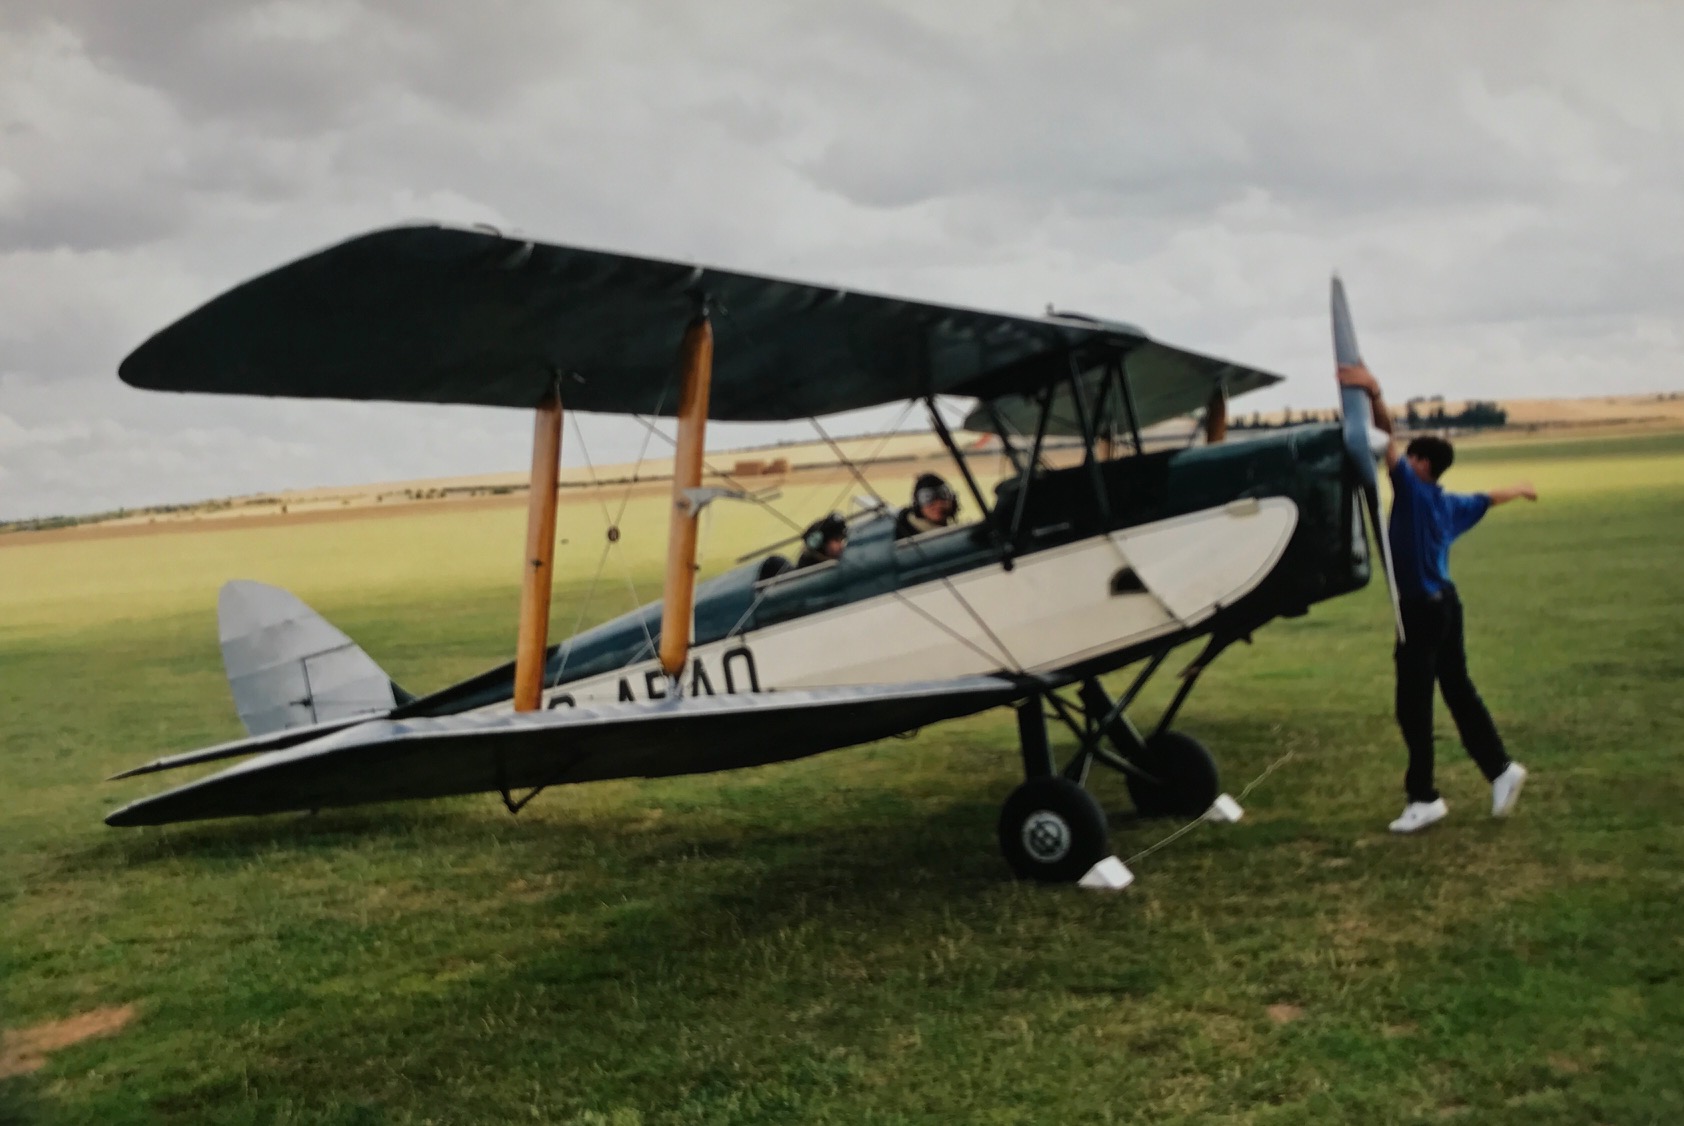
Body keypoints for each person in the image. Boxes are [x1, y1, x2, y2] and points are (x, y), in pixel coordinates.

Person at [1338, 363, 1537, 834]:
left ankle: (1424, 797)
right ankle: (1501, 770)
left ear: (1422, 465)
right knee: (1458, 690)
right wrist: (1522, 488)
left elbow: (1386, 438)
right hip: (1448, 604)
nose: (1399, 462)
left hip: (1421, 611)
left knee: (1413, 706)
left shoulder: (1411, 493)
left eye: (1409, 459)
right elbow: (1490, 497)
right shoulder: (1452, 504)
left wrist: (1374, 393)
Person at [894, 473, 960, 540]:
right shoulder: (901, 537)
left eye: (944, 495)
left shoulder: (953, 533)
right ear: (918, 504)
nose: (938, 503)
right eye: (927, 498)